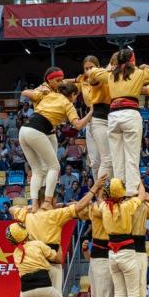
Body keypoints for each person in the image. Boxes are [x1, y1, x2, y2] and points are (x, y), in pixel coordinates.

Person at [87, 49, 149, 196]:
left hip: (113, 115)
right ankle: (131, 192)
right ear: (132, 60)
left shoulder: (110, 74)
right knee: (131, 157)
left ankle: (117, 192)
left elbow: (92, 73)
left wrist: (109, 67)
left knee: (117, 158)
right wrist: (148, 67)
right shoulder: (139, 72)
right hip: (130, 114)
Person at [19, 70, 93, 209]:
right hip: (37, 131)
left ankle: (34, 204)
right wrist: (91, 113)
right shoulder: (68, 104)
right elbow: (78, 125)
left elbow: (26, 93)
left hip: (24, 130)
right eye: (76, 96)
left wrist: (75, 80)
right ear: (73, 95)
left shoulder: (50, 94)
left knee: (37, 170)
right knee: (54, 167)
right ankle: (47, 202)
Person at [72, 55, 112, 180]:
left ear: (98, 67)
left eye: (91, 67)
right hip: (92, 119)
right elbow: (68, 86)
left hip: (109, 117)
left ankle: (111, 188)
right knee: (94, 162)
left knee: (108, 158)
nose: (89, 70)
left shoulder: (105, 75)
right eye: (86, 68)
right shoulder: (82, 81)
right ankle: (98, 189)